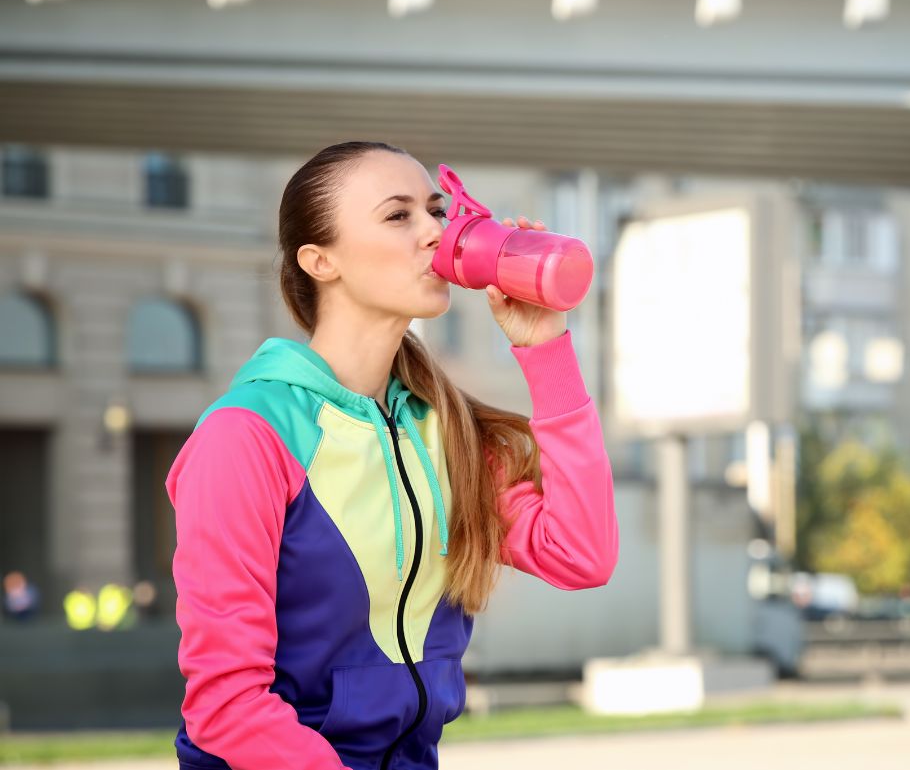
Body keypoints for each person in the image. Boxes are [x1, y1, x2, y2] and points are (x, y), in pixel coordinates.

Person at [167, 141, 619, 770]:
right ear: (320, 260)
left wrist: (545, 348)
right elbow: (226, 705)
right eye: (398, 215)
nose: (435, 232)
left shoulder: (447, 432)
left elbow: (582, 555)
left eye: (436, 210)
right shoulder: (246, 437)